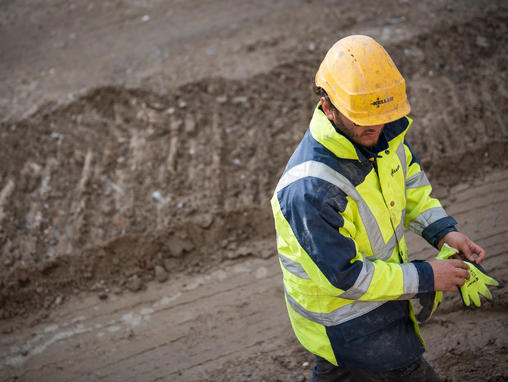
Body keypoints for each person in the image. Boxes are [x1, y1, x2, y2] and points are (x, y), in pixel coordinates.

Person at [270, 35, 486, 381]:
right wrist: (429, 277)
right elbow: (346, 278)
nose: (376, 126)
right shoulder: (311, 190)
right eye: (364, 118)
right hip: (347, 321)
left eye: (383, 115)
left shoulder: (383, 135)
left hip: (378, 298)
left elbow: (410, 183)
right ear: (328, 108)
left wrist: (443, 231)